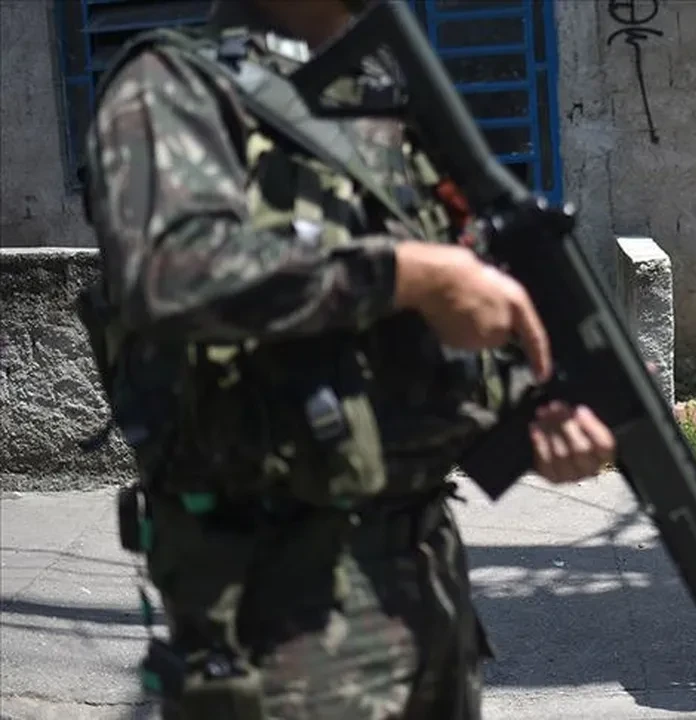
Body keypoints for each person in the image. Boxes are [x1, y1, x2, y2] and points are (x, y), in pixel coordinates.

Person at [78, 0, 615, 718]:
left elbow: (415, 333)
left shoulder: (372, 100)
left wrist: (528, 416)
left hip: (426, 582)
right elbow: (171, 274)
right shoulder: (173, 85)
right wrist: (406, 273)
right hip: (281, 602)